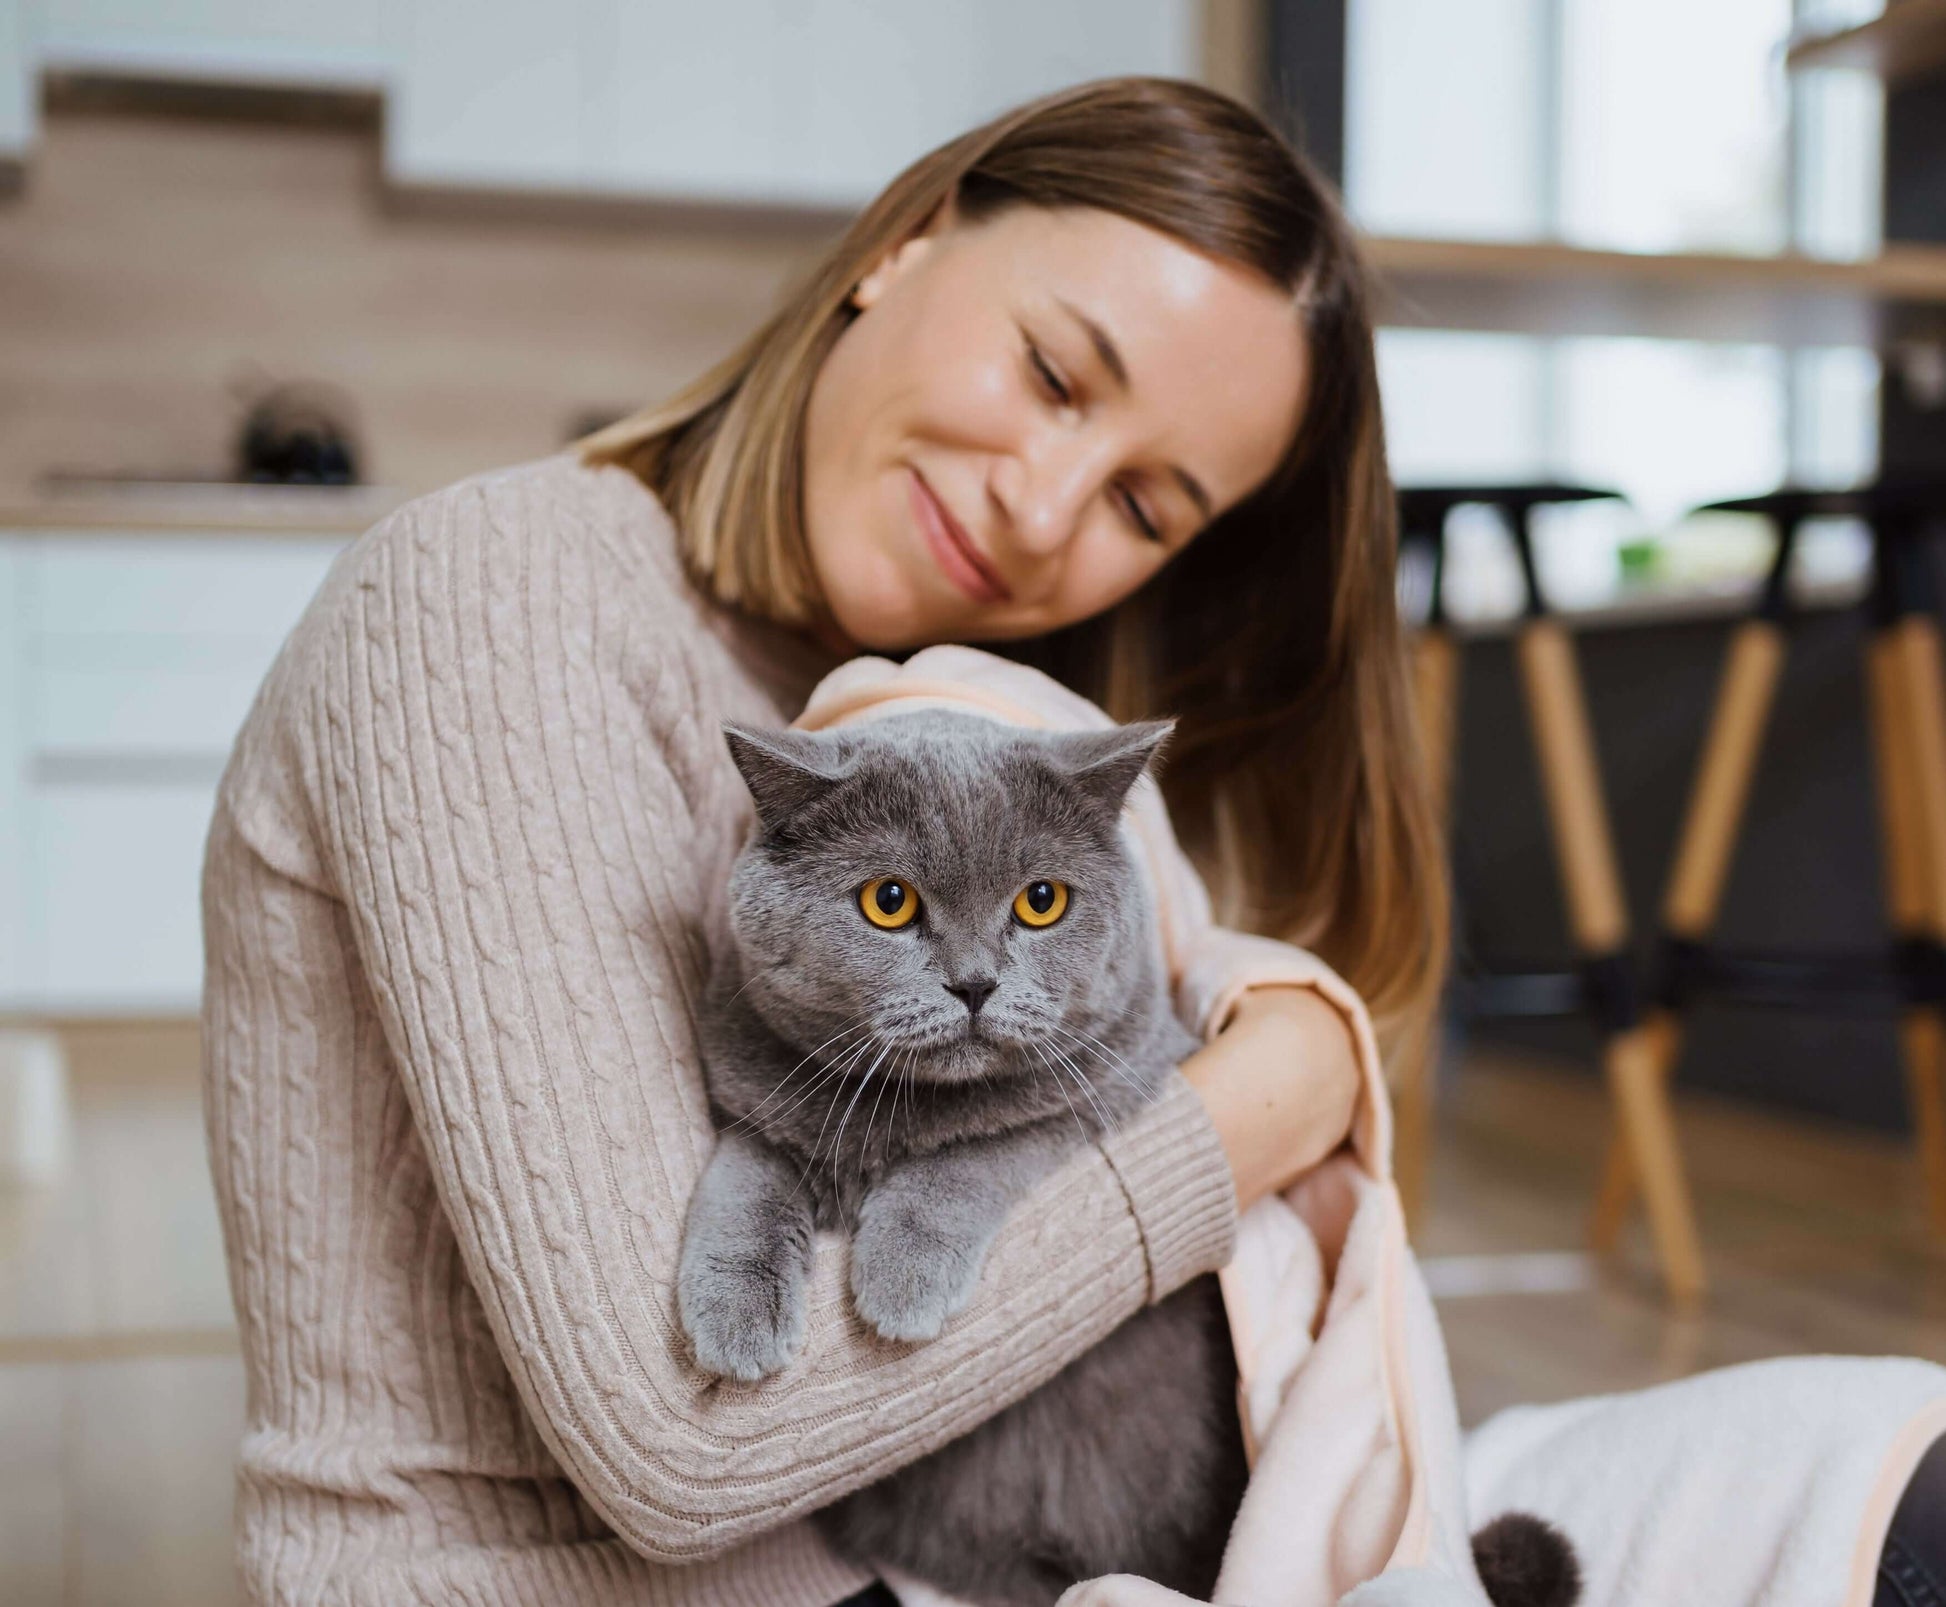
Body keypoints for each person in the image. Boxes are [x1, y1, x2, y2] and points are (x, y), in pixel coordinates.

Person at [199, 75, 1942, 1607]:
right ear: (905, 240)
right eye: (1049, 371)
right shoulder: (492, 602)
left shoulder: (972, 720)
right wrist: (1243, 1120)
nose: (1041, 508)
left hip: (981, 1550)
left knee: (1885, 1450)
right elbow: (679, 1456)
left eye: (1141, 505)